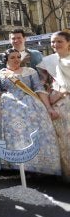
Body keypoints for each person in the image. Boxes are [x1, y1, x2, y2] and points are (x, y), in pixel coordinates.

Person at [0, 48, 60, 175]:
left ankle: (38, 164)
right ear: (6, 59)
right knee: (15, 133)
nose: (16, 60)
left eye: (18, 57)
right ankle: (18, 166)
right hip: (9, 106)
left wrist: (48, 108)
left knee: (33, 131)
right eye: (12, 57)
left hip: (30, 104)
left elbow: (39, 89)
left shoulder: (30, 71)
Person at [37, 31, 70, 181]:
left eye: (59, 41)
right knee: (63, 140)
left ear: (68, 42)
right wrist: (50, 101)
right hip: (58, 105)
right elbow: (42, 83)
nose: (55, 45)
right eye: (52, 42)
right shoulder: (48, 61)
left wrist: (63, 92)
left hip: (65, 98)